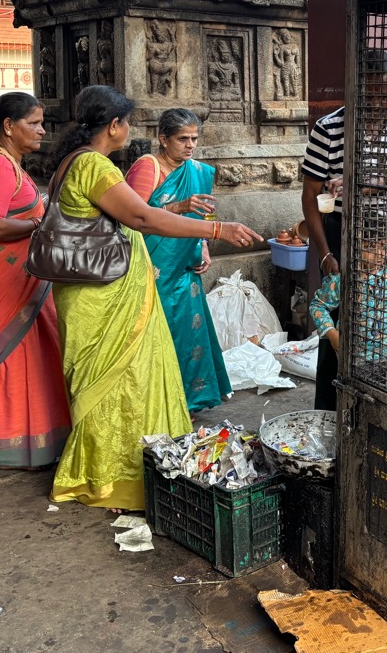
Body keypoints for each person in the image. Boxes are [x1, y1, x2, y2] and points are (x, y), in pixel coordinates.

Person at [47, 85, 261, 511]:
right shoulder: (95, 167)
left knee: (117, 383)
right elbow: (143, 216)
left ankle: (111, 464)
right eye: (126, 122)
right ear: (114, 125)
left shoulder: (73, 162)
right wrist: (217, 230)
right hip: (102, 297)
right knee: (118, 383)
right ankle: (113, 473)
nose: (130, 130)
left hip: (96, 292)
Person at [300, 49, 387, 410]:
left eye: (385, 93)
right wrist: (325, 254)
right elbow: (309, 197)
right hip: (340, 231)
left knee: (380, 322)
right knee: (336, 325)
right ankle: (330, 411)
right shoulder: (330, 129)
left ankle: (377, 407)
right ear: (357, 87)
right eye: (371, 92)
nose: (378, 100)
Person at [0, 92, 70, 468]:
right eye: (34, 124)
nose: (41, 131)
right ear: (8, 126)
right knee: (10, 355)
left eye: (41, 123)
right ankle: (5, 442)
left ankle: (37, 438)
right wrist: (39, 224)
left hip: (17, 277)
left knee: (33, 355)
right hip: (3, 282)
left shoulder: (5, 162)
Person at [124, 108, 232, 412]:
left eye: (194, 138)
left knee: (188, 335)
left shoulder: (197, 171)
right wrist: (177, 206)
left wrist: (204, 246)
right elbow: (131, 216)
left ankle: (188, 403)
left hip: (186, 267)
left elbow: (206, 214)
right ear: (163, 139)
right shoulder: (148, 167)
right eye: (182, 138)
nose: (190, 145)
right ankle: (158, 405)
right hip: (154, 268)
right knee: (158, 335)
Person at [309, 214, 387, 364]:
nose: (380, 253)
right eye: (371, 248)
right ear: (355, 248)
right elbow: (317, 306)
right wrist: (331, 333)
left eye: (383, 246)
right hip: (355, 360)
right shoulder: (343, 280)